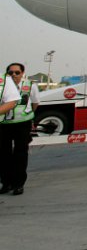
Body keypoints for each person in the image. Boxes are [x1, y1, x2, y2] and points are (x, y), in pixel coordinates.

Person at [0, 63, 40, 195]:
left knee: (20, 154)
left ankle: (18, 184)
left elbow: (35, 103)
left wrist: (29, 116)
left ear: (22, 73)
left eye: (17, 72)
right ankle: (6, 183)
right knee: (4, 154)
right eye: (10, 73)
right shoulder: (3, 86)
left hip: (22, 124)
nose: (13, 75)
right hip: (4, 124)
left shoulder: (30, 85)